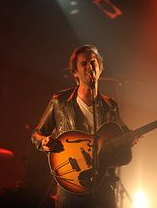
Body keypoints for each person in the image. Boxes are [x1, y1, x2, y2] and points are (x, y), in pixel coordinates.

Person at [31, 45, 133, 208]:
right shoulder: (60, 101)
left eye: (93, 62)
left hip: (103, 183)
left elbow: (120, 136)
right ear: (75, 72)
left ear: (100, 67)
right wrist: (43, 142)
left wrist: (128, 140)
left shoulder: (110, 105)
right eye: (83, 64)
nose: (89, 67)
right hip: (70, 183)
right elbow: (36, 134)